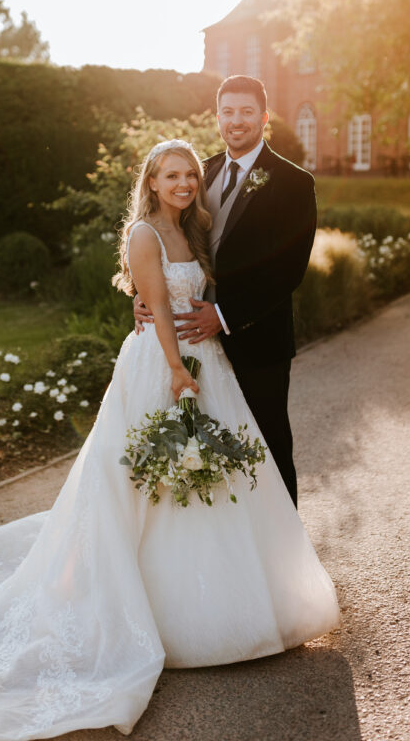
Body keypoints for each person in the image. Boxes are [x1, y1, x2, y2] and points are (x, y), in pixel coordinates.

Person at [0, 139, 339, 741]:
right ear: (152, 179)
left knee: (210, 477)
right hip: (165, 365)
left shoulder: (195, 229)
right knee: (147, 480)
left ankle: (234, 606)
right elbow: (157, 307)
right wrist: (175, 369)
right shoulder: (144, 234)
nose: (185, 183)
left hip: (208, 361)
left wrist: (198, 349)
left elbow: (194, 291)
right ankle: (159, 613)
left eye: (190, 174)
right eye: (172, 175)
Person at [135, 75, 315, 506]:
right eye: (228, 112)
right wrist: (146, 297)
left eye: (246, 112)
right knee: (208, 447)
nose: (236, 121)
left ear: (264, 118)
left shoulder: (293, 183)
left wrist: (224, 315)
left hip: (256, 338)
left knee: (268, 443)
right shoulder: (203, 172)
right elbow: (164, 245)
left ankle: (285, 550)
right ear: (217, 117)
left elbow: (288, 270)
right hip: (195, 345)